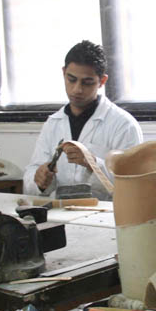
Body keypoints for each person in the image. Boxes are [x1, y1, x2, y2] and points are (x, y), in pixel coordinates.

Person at [22, 40, 142, 199]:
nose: (77, 89)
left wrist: (92, 163)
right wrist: (40, 181)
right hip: (60, 215)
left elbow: (133, 186)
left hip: (106, 219)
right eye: (71, 79)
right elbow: (31, 177)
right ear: (63, 73)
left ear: (102, 81)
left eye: (87, 82)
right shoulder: (53, 124)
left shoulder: (124, 125)